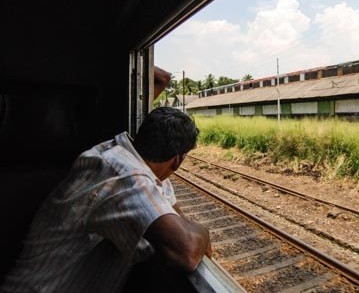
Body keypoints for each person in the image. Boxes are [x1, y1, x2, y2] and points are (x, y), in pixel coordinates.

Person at [1, 106, 212, 293]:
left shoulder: (120, 152)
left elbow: (173, 212)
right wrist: (205, 231)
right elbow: (189, 250)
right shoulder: (123, 175)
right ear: (177, 161)